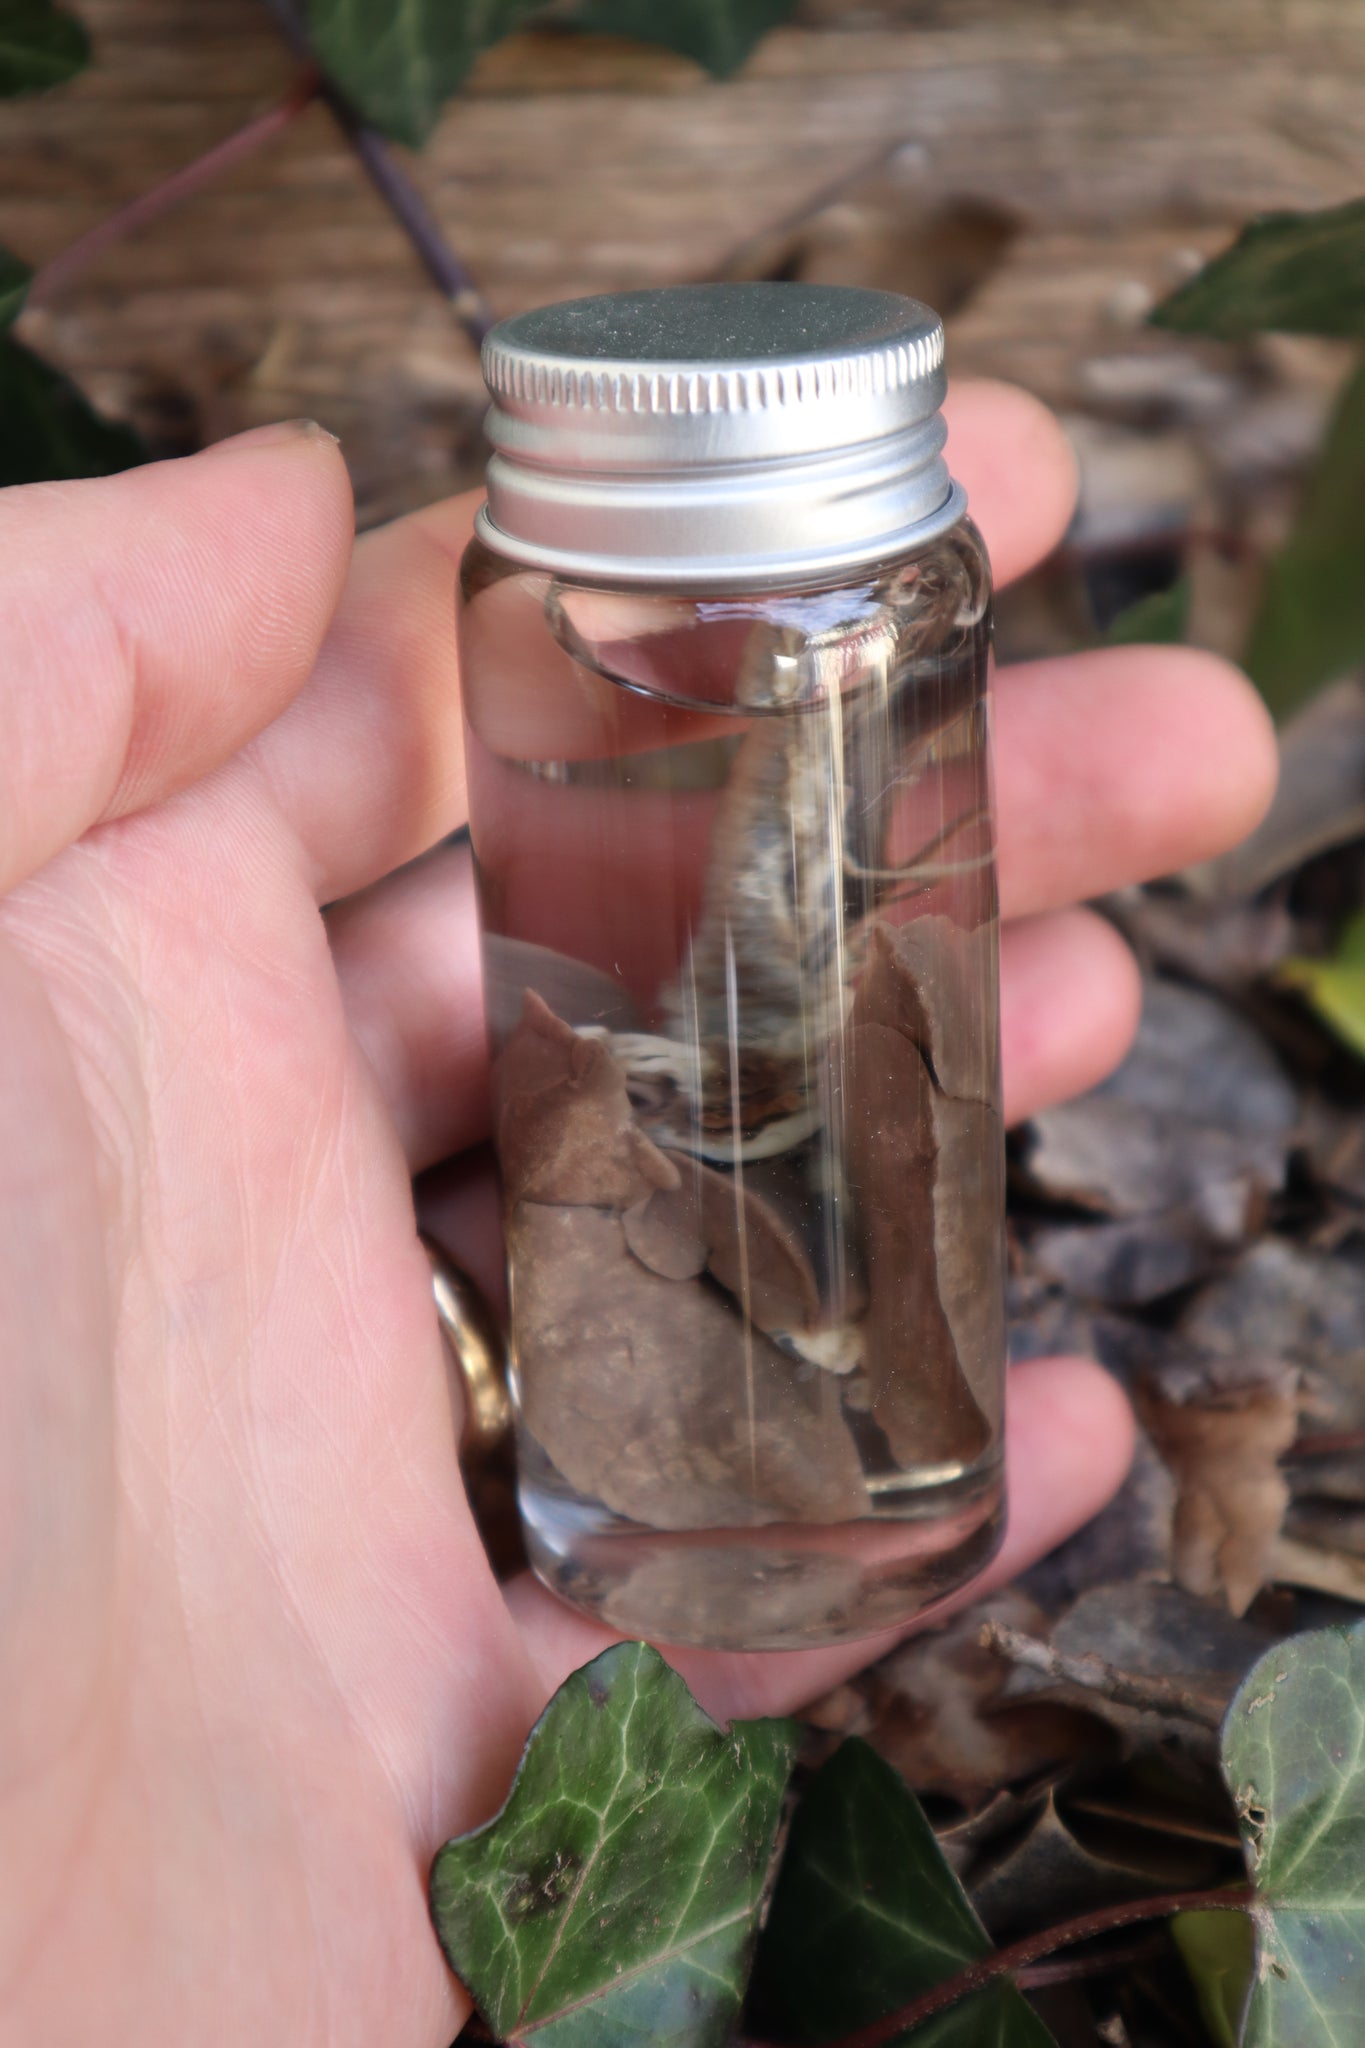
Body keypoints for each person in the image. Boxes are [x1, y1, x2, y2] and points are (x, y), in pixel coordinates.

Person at [0, 387, 1277, 2046]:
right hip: (602, 1405)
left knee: (880, 1119)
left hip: (805, 1344)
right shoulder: (538, 614)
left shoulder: (901, 600)